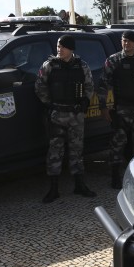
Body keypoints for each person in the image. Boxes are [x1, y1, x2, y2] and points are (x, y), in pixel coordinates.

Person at [35, 34, 96, 203]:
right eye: (58, 47)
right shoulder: (49, 66)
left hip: (76, 115)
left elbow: (90, 85)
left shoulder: (82, 66)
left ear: (71, 49)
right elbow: (39, 86)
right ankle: (54, 188)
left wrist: (85, 101)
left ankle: (79, 184)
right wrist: (50, 104)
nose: (59, 50)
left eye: (62, 47)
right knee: (55, 151)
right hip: (57, 115)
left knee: (77, 149)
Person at [97, 29, 134, 189]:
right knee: (118, 142)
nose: (126, 43)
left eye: (130, 41)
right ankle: (115, 175)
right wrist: (103, 107)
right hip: (121, 108)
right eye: (124, 40)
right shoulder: (113, 60)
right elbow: (103, 85)